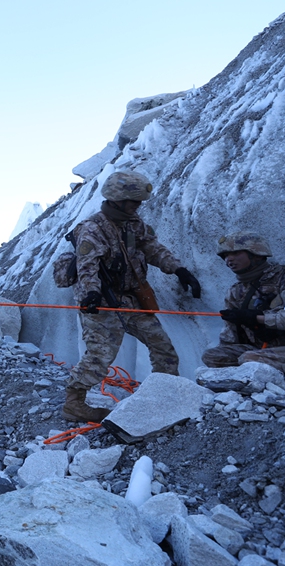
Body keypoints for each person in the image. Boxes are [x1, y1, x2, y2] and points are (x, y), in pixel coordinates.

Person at [63, 170, 203, 422]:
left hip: (130, 298)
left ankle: (163, 396)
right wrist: (92, 293)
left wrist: (178, 269)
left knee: (163, 347)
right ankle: (74, 403)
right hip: (101, 301)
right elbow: (87, 266)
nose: (138, 205)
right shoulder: (92, 229)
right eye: (133, 201)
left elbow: (151, 248)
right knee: (100, 354)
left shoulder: (133, 224)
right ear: (116, 198)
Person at [202, 232, 285, 375]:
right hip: (260, 351)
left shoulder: (283, 278)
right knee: (213, 356)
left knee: (249, 359)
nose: (229, 259)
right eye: (225, 255)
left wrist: (259, 318)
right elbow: (230, 337)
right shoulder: (235, 291)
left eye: (235, 253)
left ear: (257, 254)